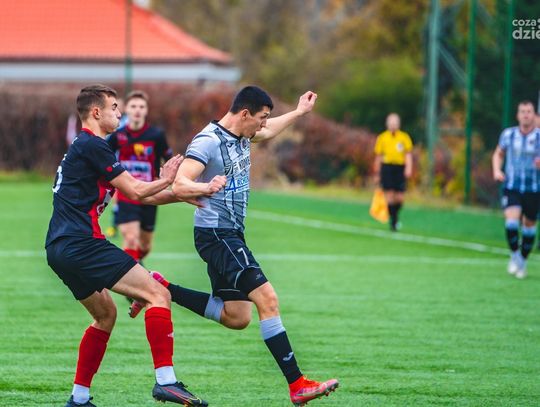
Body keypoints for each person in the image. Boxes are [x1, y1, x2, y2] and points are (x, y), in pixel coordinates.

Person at [130, 86, 339, 406]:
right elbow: (181, 182)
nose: (263, 124)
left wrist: (298, 112)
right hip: (217, 235)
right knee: (268, 298)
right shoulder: (208, 141)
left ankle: (163, 286)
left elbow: (267, 131)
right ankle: (297, 384)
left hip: (230, 235)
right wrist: (205, 187)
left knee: (237, 316)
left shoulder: (243, 134)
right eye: (261, 117)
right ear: (244, 114)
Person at [45, 84, 225, 406]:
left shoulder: (85, 147)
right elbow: (137, 191)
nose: (120, 113)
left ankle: (79, 398)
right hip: (81, 243)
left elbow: (140, 195)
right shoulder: (93, 145)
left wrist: (184, 194)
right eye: (115, 108)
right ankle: (166, 382)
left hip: (59, 249)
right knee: (158, 294)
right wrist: (169, 178)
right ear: (96, 112)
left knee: (105, 314)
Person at [107, 90, 173, 263]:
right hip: (127, 193)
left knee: (145, 246)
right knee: (130, 239)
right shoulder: (118, 136)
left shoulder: (156, 135)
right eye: (134, 106)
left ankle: (135, 264)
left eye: (141, 107)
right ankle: (130, 273)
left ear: (146, 110)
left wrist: (168, 175)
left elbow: (169, 160)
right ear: (126, 109)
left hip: (150, 194)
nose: (137, 110)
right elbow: (103, 158)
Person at [492, 100, 540, 279]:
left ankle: (522, 261)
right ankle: (514, 256)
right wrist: (497, 170)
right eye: (523, 111)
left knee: (529, 226)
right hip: (512, 186)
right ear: (518, 115)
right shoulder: (508, 135)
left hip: (534, 189)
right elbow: (498, 154)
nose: (526, 115)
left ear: (534, 115)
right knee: (511, 222)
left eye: (529, 111)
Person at [373, 113, 413, 231]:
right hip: (387, 167)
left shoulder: (404, 137)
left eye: (395, 123)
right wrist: (377, 173)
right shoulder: (382, 137)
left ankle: (394, 216)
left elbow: (408, 154)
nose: (393, 125)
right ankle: (393, 221)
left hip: (399, 168)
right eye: (391, 123)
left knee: (400, 198)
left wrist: (408, 168)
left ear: (399, 124)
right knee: (390, 195)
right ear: (387, 124)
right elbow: (379, 156)